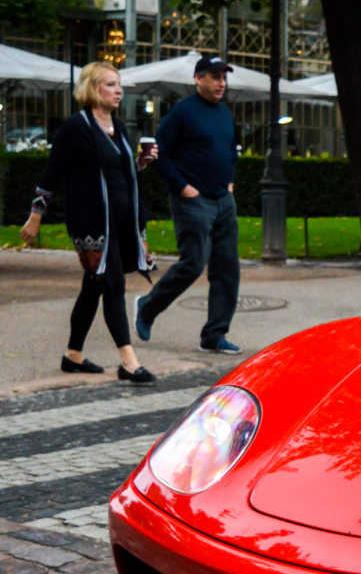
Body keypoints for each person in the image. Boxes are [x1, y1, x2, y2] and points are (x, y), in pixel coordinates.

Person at [21, 62, 157, 384]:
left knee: (93, 286)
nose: (119, 90)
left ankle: (73, 355)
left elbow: (120, 175)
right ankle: (128, 361)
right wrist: (36, 216)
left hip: (121, 223)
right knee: (112, 283)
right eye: (110, 84)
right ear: (93, 89)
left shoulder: (118, 127)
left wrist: (140, 163)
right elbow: (51, 174)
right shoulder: (75, 128)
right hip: (91, 224)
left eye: (119, 84)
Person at [134, 54, 242, 355]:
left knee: (227, 269)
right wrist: (182, 188)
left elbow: (232, 151)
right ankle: (147, 307)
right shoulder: (183, 112)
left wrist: (230, 180)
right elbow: (159, 153)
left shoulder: (224, 114)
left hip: (224, 200)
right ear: (198, 78)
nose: (221, 83)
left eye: (224, 78)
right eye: (215, 77)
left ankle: (214, 335)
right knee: (193, 263)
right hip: (193, 202)